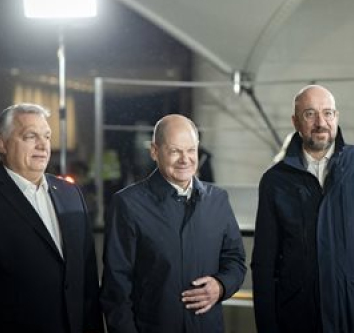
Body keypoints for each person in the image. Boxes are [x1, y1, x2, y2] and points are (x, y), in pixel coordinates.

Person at [251, 85, 354, 333]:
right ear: (295, 122)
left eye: (327, 113)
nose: (321, 122)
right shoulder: (275, 181)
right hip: (300, 319)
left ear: (336, 117)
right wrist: (266, 326)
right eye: (310, 114)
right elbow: (264, 262)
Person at [0, 103, 102, 333]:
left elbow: (88, 278)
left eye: (47, 136)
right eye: (30, 136)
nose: (43, 145)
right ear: (1, 144)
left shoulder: (71, 194)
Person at [101, 114, 246, 333]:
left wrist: (221, 285)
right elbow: (116, 288)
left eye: (191, 150)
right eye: (175, 151)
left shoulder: (218, 200)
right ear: (154, 151)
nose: (185, 159)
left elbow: (235, 260)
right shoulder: (128, 204)